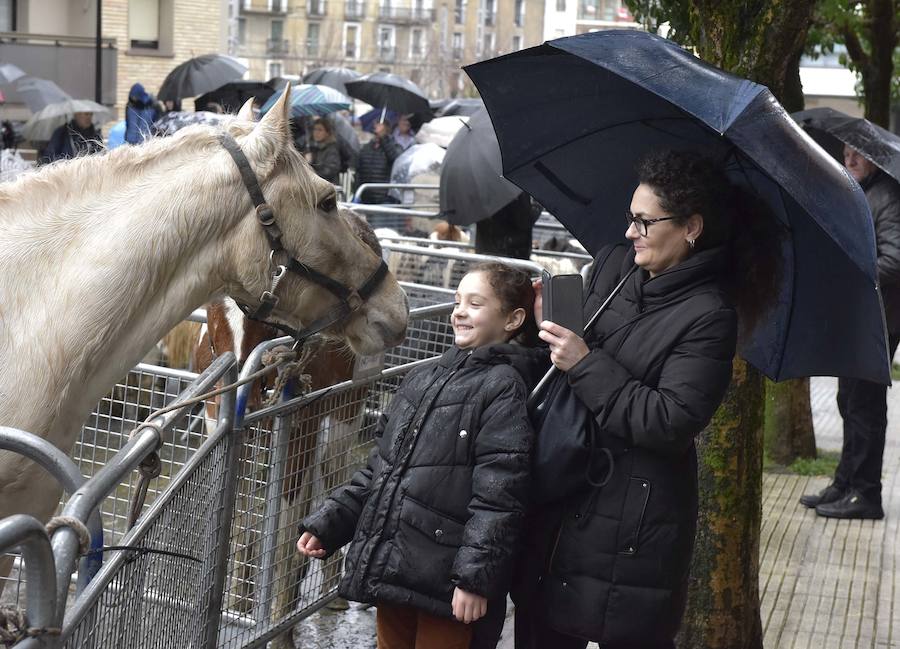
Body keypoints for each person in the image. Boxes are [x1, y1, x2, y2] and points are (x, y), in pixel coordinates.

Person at [512, 150, 782, 648]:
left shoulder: (710, 316)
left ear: (691, 227)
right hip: (563, 495)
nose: (630, 232)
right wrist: (543, 325)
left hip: (632, 526)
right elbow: (565, 362)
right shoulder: (616, 267)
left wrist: (585, 362)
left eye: (643, 222)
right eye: (629, 218)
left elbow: (668, 420)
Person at [297, 262, 536, 649]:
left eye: (475, 304)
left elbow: (500, 497)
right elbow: (381, 468)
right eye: (458, 301)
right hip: (397, 567)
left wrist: (474, 580)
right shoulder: (423, 378)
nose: (459, 311)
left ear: (513, 319)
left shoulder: (504, 388)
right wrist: (331, 522)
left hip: (448, 587)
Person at [800, 145, 900, 519]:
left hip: (878, 322)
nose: (850, 160)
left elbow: (894, 258)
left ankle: (866, 494)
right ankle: (846, 482)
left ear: (877, 158)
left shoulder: (887, 196)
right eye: (845, 154)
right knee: (848, 402)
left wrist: (849, 272)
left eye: (859, 154)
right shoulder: (864, 194)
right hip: (861, 319)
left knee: (864, 408)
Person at [475, 193, 542, 260]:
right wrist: (538, 205)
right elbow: (524, 221)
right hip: (511, 253)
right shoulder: (516, 188)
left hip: (484, 249)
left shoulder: (480, 186)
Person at [355, 119, 402, 205]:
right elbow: (359, 170)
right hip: (366, 196)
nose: (376, 127)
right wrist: (357, 191)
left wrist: (383, 138)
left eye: (379, 125)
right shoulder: (366, 147)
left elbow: (395, 159)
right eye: (375, 125)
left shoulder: (395, 146)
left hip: (384, 198)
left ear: (386, 129)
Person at [305, 117, 341, 184]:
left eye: (320, 130)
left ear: (327, 133)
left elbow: (329, 171)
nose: (316, 132)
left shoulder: (331, 149)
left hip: (328, 186)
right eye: (315, 129)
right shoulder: (314, 148)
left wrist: (312, 173)